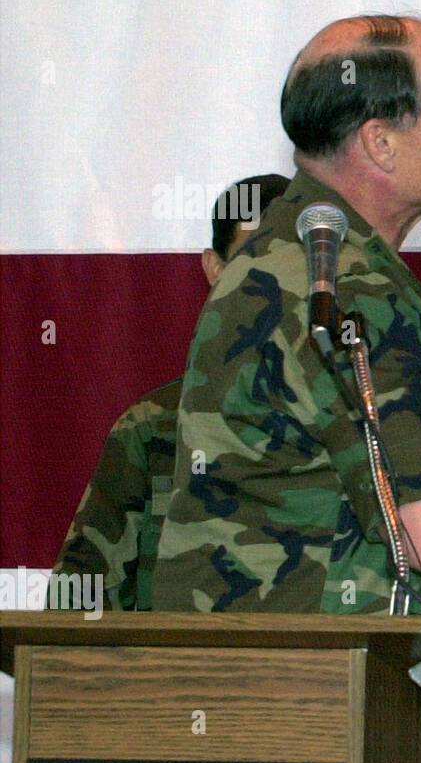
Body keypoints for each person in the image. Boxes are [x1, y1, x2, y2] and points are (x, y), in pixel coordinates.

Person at [153, 14, 421, 763]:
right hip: (327, 733)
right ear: (381, 143)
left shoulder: (275, 264)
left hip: (254, 725)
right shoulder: (349, 288)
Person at [49, 173, 291, 611]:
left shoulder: (365, 422)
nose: (275, 284)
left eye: (295, 263)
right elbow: (76, 603)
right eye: (253, 259)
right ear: (215, 271)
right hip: (173, 676)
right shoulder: (155, 428)